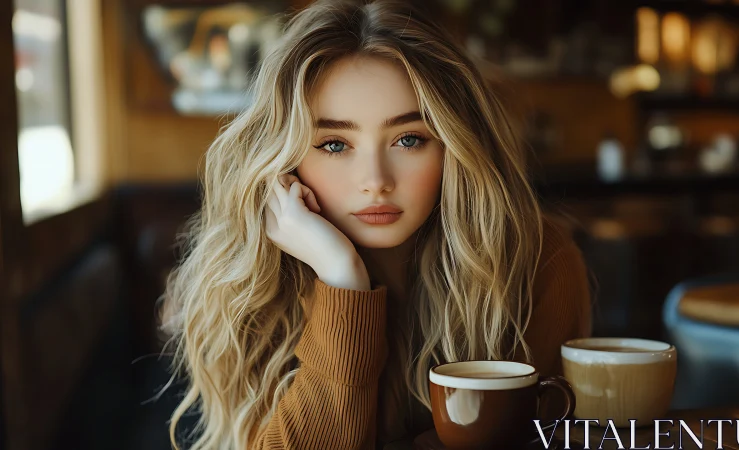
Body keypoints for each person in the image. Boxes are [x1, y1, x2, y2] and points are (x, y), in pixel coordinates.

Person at [159, 1, 592, 449]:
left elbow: (542, 437)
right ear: (283, 157)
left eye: (409, 139)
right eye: (333, 144)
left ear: (453, 147)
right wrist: (341, 280)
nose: (375, 182)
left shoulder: (538, 259)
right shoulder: (254, 283)